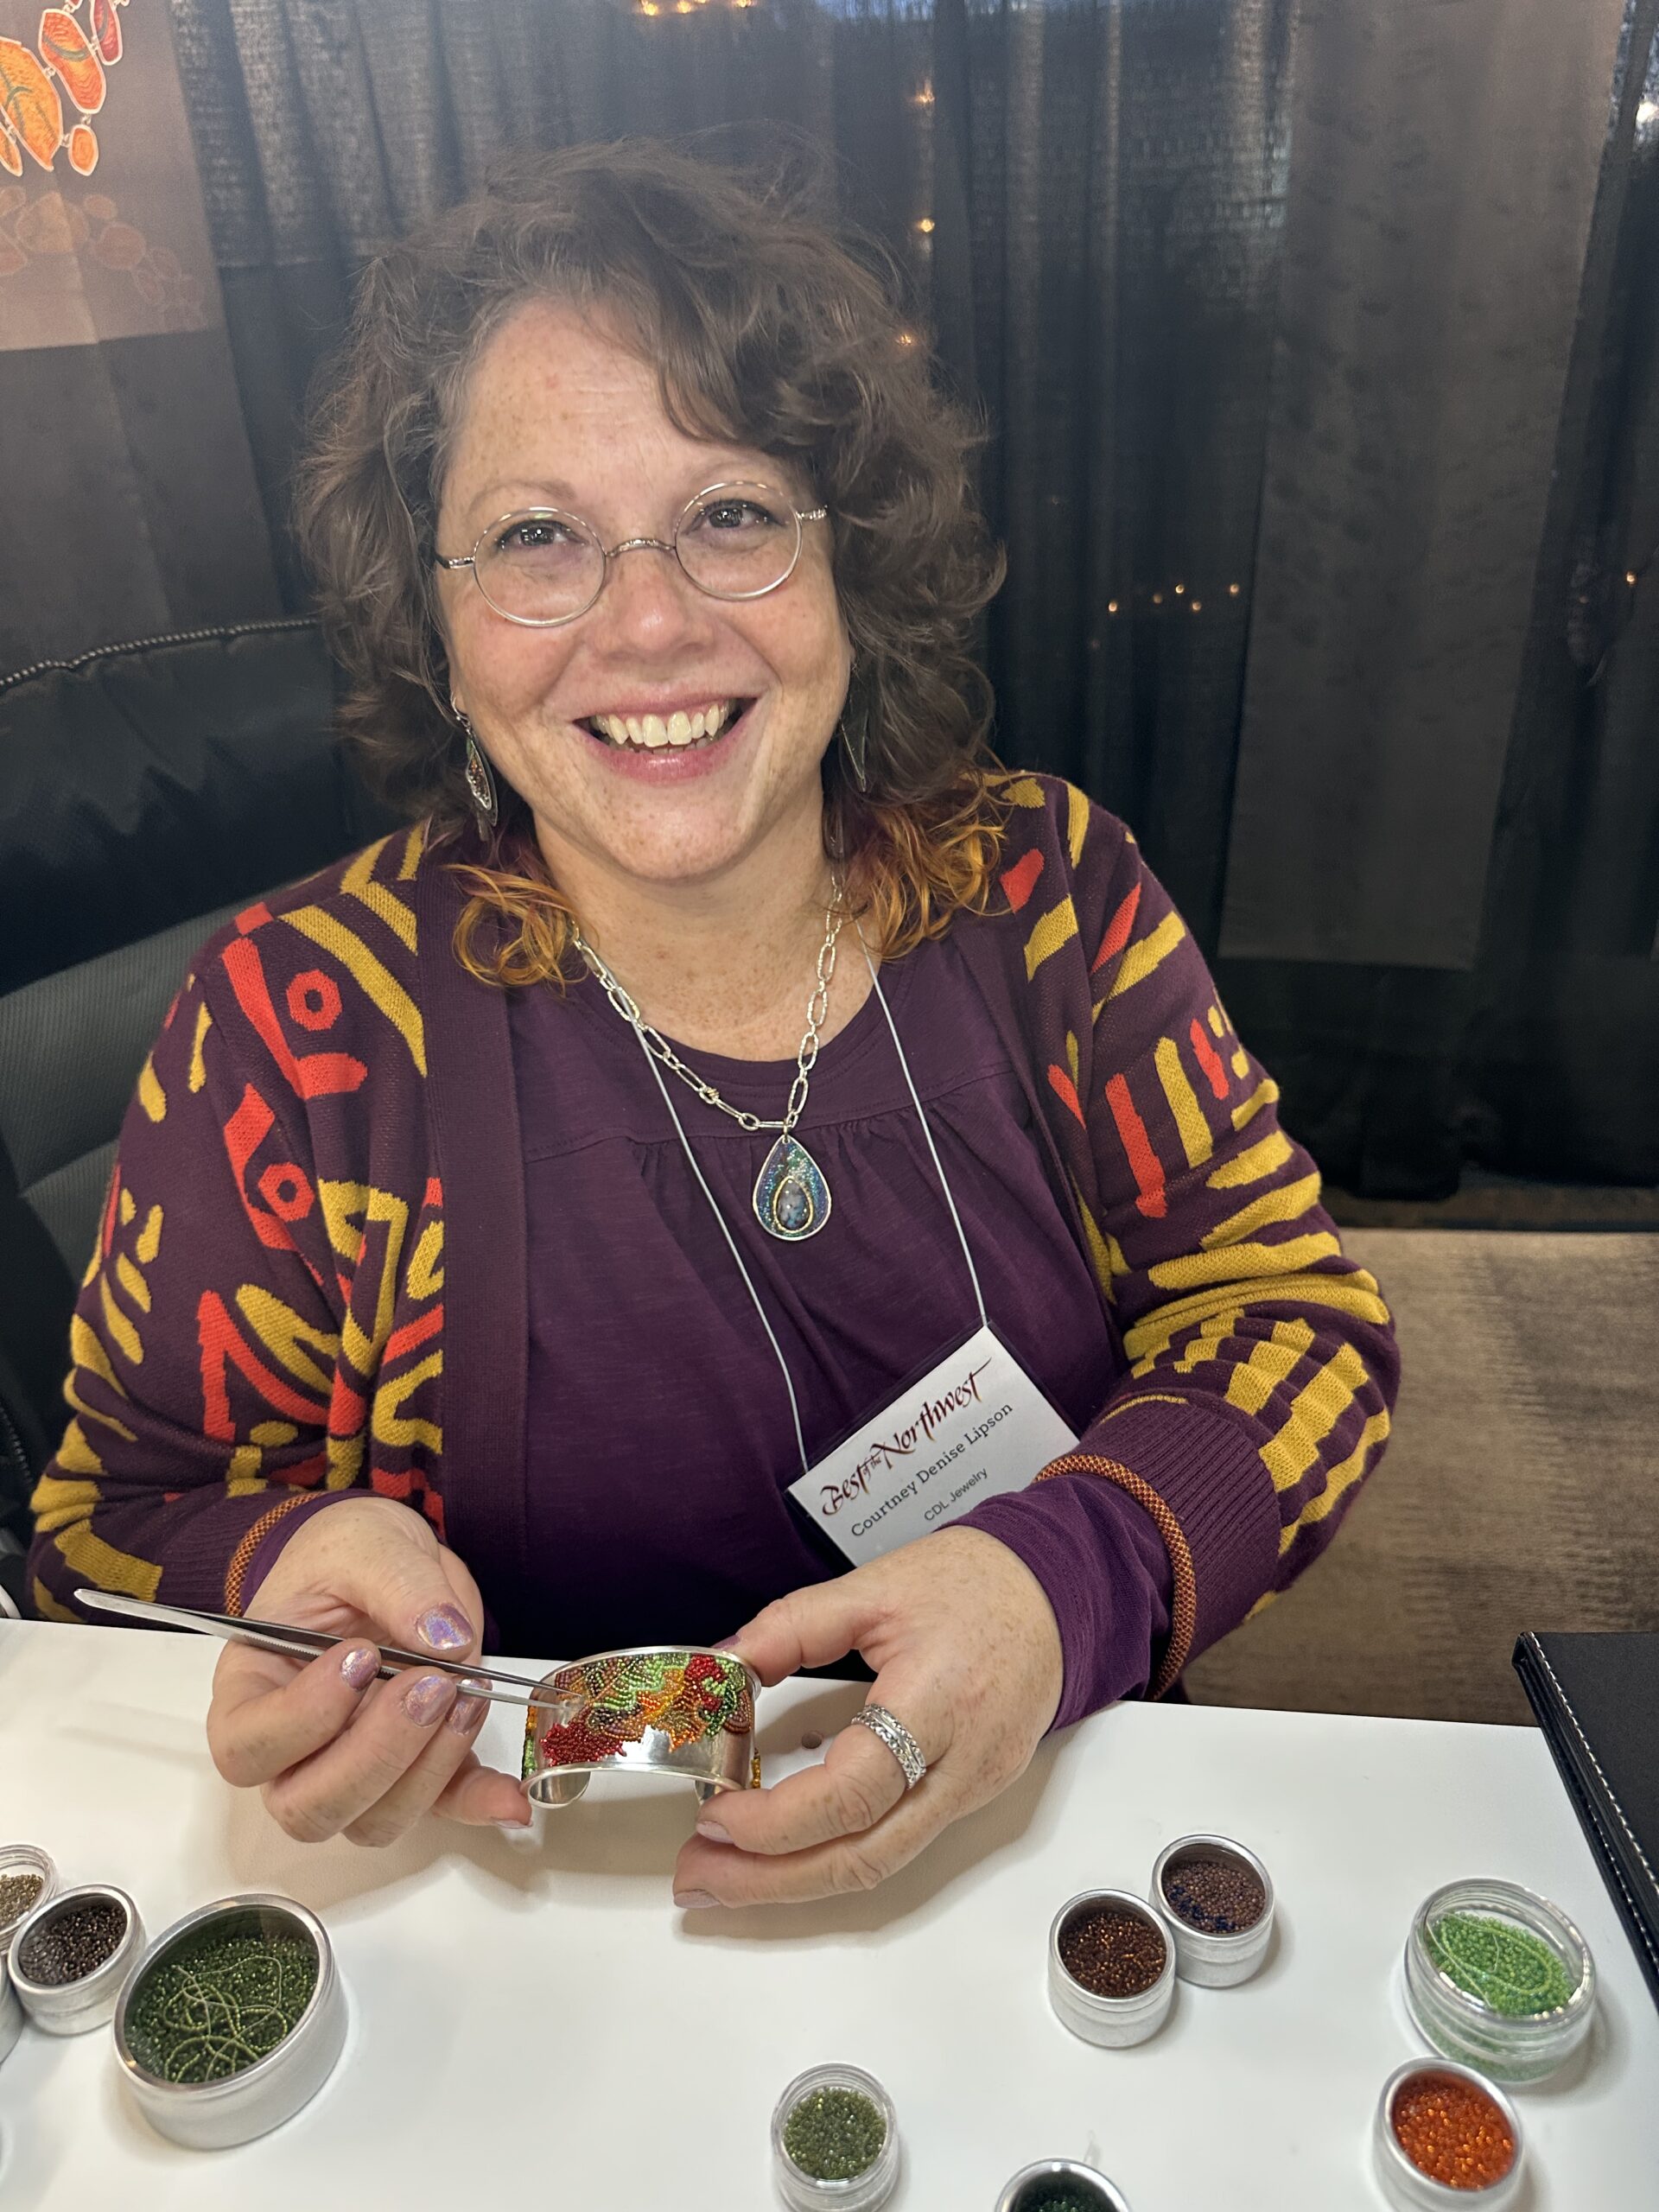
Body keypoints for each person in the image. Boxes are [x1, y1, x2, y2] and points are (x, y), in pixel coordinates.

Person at [28, 141, 1398, 1908]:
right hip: (544, 1899)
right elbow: (103, 1522)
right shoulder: (294, 1034)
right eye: (539, 538)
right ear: (436, 625)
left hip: (1035, 1818)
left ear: (854, 566)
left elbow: (1294, 1318)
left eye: (732, 513)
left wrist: (1073, 1576)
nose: (651, 623)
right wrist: (290, 1551)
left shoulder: (1049, 887)